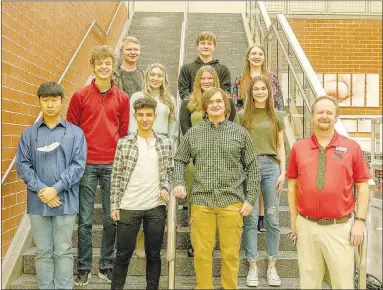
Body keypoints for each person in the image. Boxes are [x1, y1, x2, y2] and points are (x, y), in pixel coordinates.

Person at [173, 87, 261, 289]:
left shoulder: (240, 133)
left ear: (226, 106)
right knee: (202, 254)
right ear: (205, 107)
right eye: (211, 102)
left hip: (231, 202)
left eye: (219, 101)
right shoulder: (193, 134)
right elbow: (179, 160)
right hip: (201, 202)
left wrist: (250, 199)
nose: (215, 105)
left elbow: (253, 167)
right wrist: (179, 182)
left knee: (230, 254)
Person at [286, 96, 372, 289]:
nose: (324, 116)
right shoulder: (299, 148)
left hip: (340, 228)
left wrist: (359, 222)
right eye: (320, 112)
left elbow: (363, 186)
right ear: (312, 116)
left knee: (343, 283)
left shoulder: (351, 148)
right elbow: (292, 186)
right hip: (307, 226)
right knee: (309, 283)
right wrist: (294, 221)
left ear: (336, 117)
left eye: (329, 113)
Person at [67, 45, 130, 286]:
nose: (104, 67)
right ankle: (83, 267)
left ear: (113, 67)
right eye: (99, 63)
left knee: (111, 218)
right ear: (93, 67)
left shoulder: (122, 98)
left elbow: (123, 131)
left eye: (108, 63)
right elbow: (71, 131)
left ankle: (106, 264)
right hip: (86, 165)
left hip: (112, 165)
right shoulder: (80, 95)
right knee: (84, 220)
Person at [16, 82, 87, 289]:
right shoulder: (29, 134)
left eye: (54, 100)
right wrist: (42, 190)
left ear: (61, 102)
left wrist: (55, 189)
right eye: (45, 100)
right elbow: (23, 165)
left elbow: (78, 165)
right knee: (43, 251)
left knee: (63, 250)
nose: (49, 105)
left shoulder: (75, 134)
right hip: (38, 203)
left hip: (65, 201)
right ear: (39, 101)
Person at [110, 98, 173, 290]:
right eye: (140, 115)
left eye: (148, 115)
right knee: (122, 255)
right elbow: (116, 175)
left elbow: (170, 171)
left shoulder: (166, 143)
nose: (145, 119)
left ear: (155, 117)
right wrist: (115, 205)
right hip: (129, 205)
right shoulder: (124, 143)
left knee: (153, 255)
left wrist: (166, 187)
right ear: (135, 116)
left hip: (155, 206)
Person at [179, 65, 236, 257]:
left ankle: (214, 240)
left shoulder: (225, 100)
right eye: (203, 78)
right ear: (197, 80)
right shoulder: (189, 101)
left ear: (215, 81)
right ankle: (195, 242)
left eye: (210, 79)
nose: (206, 82)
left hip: (220, 158)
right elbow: (185, 128)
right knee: (196, 203)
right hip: (195, 160)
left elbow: (231, 124)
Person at [235, 75, 285, 287]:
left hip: (272, 167)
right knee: (251, 218)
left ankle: (272, 264)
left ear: (269, 91)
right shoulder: (242, 116)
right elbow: (238, 146)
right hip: (249, 168)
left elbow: (281, 146)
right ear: (251, 92)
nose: (260, 92)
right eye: (256, 89)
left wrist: (283, 172)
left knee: (273, 220)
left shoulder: (277, 116)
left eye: (263, 89)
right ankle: (253, 265)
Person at [128, 63, 177, 258]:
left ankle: (153, 236)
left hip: (163, 146)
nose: (156, 78)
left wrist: (170, 148)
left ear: (164, 79)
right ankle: (140, 236)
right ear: (147, 77)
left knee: (160, 192)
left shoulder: (170, 100)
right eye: (152, 75)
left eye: (159, 75)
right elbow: (132, 126)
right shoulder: (138, 97)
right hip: (142, 147)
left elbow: (173, 128)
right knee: (142, 192)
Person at [236, 43, 285, 232]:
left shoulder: (271, 78)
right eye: (253, 53)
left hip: (267, 125)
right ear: (247, 57)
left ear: (264, 57)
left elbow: (277, 102)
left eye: (260, 54)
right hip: (249, 122)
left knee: (266, 179)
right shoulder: (240, 79)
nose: (256, 56)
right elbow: (235, 103)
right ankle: (253, 214)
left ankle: (263, 217)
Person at [178, 31, 231, 100]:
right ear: (197, 46)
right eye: (203, 43)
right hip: (193, 108)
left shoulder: (223, 69)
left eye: (209, 44)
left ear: (214, 47)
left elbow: (225, 92)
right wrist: (199, 102)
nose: (206, 46)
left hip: (215, 108)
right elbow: (183, 92)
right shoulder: (186, 68)